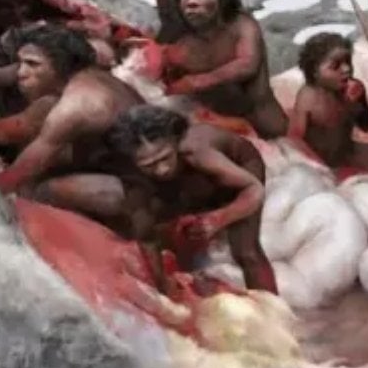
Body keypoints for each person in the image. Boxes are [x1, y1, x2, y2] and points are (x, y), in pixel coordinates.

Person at [107, 104, 278, 298]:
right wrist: (162, 291)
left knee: (246, 250)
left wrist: (218, 219)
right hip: (194, 181)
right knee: (162, 231)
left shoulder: (196, 151)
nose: (162, 169)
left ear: (175, 141)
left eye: (165, 158)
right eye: (150, 165)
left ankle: (276, 313)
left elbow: (254, 189)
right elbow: (147, 239)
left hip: (242, 174)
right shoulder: (134, 181)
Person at [0, 24, 144, 195]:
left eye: (32, 64)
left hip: (137, 187)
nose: (21, 72)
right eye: (21, 63)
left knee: (39, 192)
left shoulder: (75, 106)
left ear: (60, 65)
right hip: (122, 167)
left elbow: (14, 177)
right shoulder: (92, 77)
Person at [158, 0, 288, 139]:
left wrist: (197, 81)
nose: (191, 2)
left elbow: (247, 64)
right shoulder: (179, 36)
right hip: (210, 125)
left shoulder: (241, 24)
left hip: (263, 126)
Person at [288, 32, 368, 173]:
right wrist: (315, 167)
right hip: (317, 160)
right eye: (335, 66)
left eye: (347, 62)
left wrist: (358, 104)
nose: (346, 69)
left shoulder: (354, 89)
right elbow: (294, 142)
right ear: (315, 72)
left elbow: (367, 126)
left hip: (347, 153)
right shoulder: (308, 98)